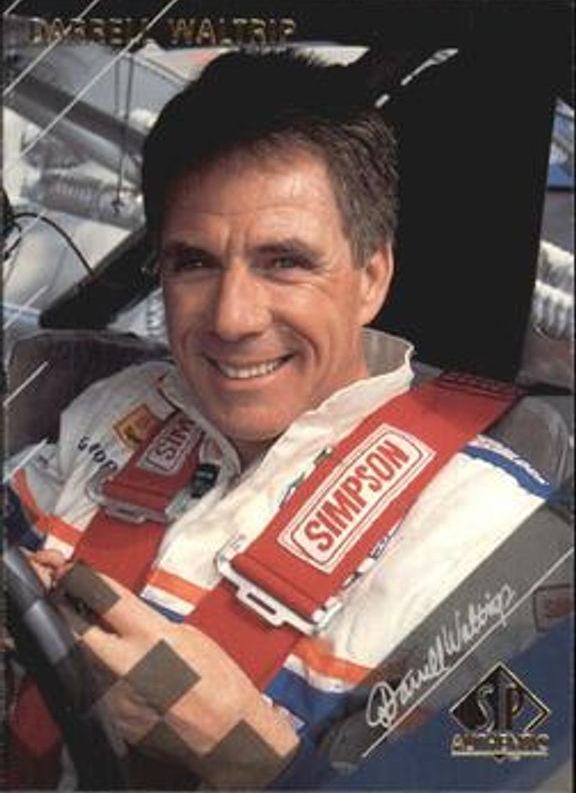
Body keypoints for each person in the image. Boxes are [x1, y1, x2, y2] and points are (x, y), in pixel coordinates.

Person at [7, 49, 566, 790]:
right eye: (195, 263)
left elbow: (498, 768)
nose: (232, 318)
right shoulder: (119, 406)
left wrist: (257, 758)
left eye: (285, 263)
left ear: (372, 277)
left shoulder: (501, 540)